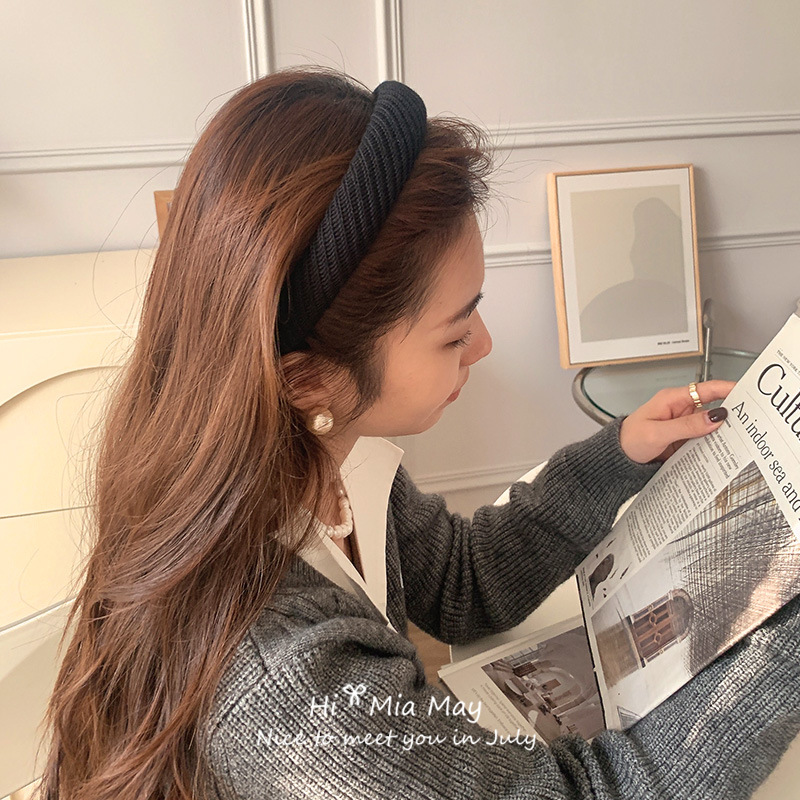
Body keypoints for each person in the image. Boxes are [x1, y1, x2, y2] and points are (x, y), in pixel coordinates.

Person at [37, 69, 800, 800]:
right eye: (454, 333)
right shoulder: (285, 687)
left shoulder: (321, 447)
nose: (484, 347)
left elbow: (462, 585)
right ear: (309, 379)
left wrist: (622, 454)